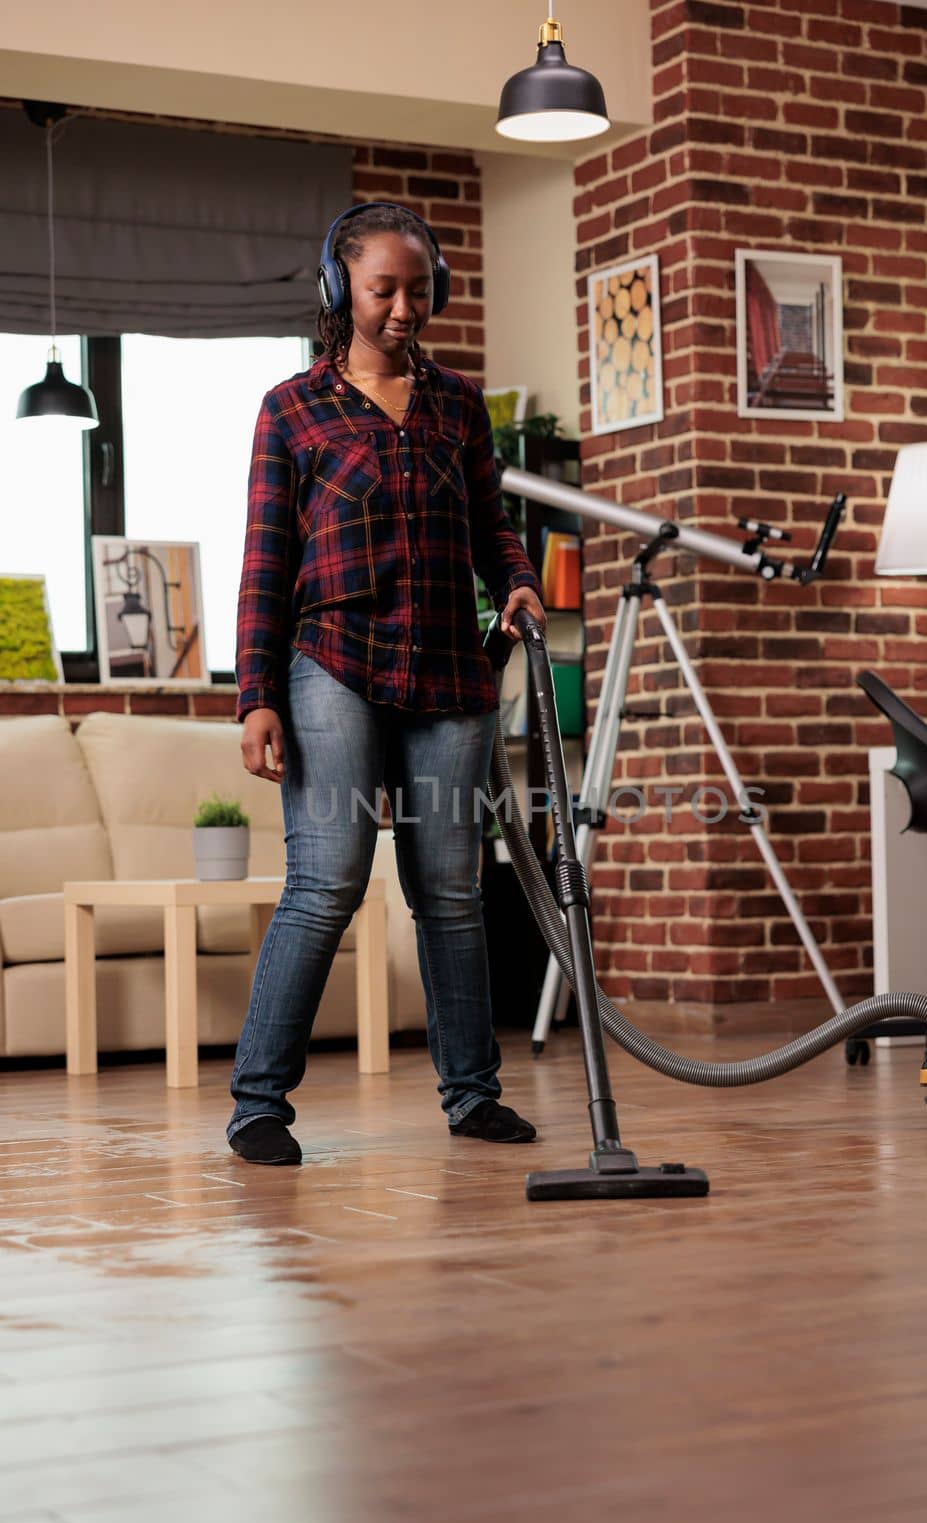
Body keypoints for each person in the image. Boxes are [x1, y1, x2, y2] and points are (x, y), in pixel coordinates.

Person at [228, 202, 547, 1166]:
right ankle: (258, 1104)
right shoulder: (293, 408)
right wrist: (256, 694)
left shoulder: (457, 405)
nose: (405, 307)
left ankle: (472, 1095)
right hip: (334, 667)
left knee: (450, 892)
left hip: (451, 673)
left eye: (418, 288)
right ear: (341, 291)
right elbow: (266, 562)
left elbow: (492, 528)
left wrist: (520, 580)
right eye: (383, 289)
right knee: (325, 882)